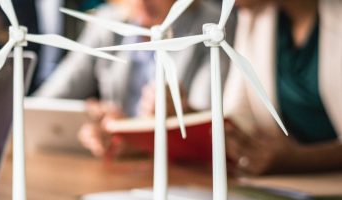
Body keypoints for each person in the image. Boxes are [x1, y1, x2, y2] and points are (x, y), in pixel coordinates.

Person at [34, 0, 233, 157]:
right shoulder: (107, 22)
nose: (143, 0)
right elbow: (47, 99)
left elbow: (206, 120)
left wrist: (181, 112)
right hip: (114, 164)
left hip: (181, 168)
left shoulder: (213, 28)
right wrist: (87, 115)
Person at [224, 0, 342, 175]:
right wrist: (194, 120)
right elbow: (240, 113)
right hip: (296, 184)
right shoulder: (254, 19)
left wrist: (302, 159)